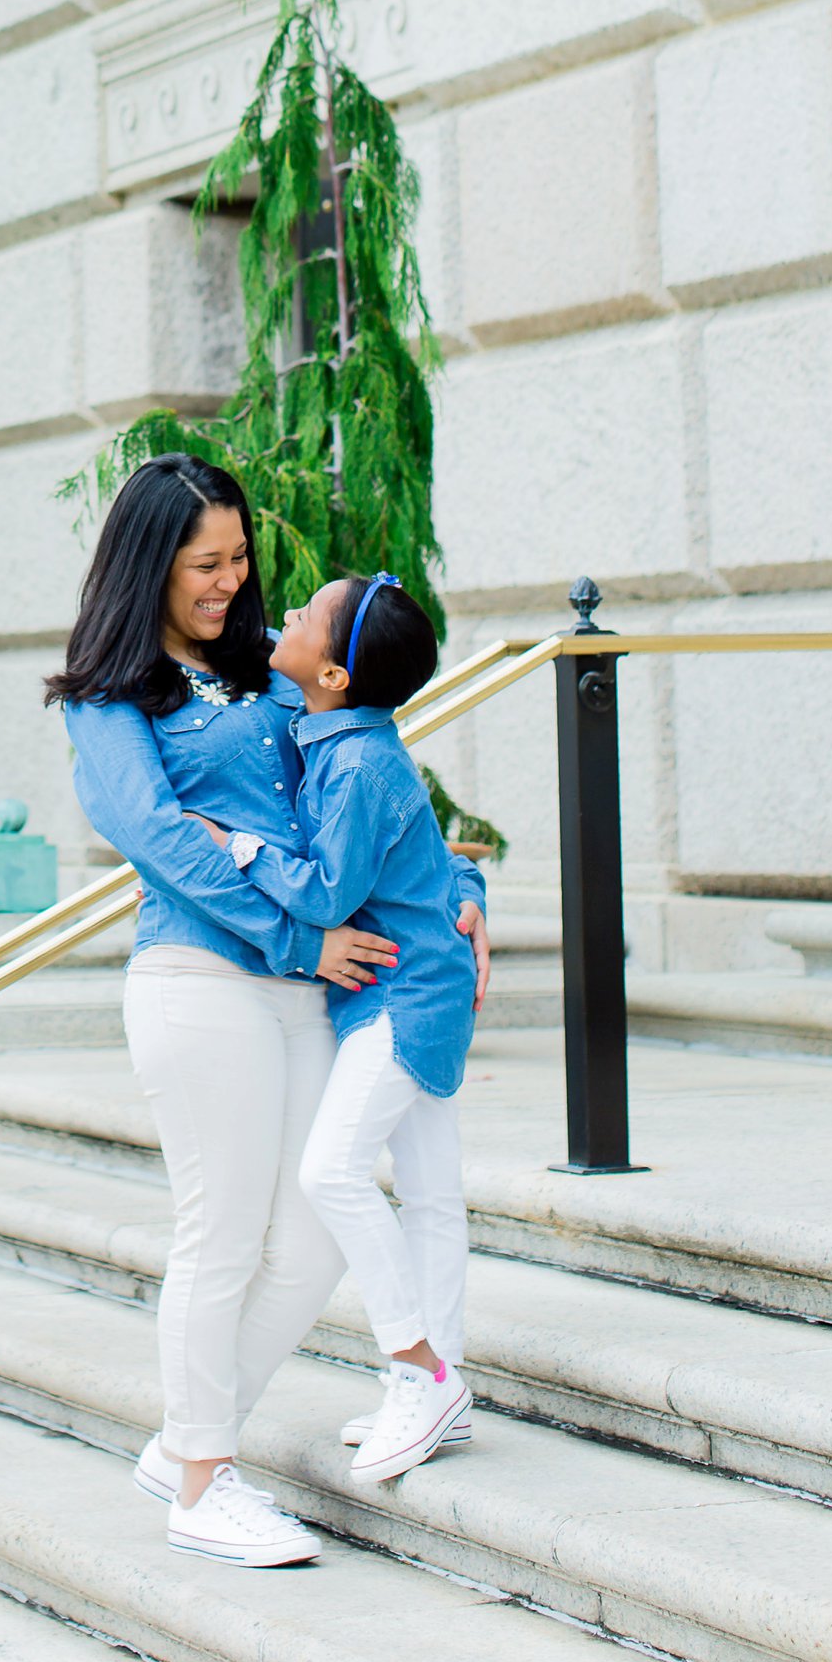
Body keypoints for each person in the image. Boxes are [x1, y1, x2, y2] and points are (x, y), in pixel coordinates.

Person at [49, 455, 489, 1568]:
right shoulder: (112, 697)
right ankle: (204, 1483)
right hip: (201, 985)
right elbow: (163, 844)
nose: (227, 581)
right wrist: (304, 937)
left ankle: (187, 1445)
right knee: (222, 1233)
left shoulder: (274, 672)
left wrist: (460, 894)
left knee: (308, 1239)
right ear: (149, 565)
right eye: (203, 563)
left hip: (310, 991)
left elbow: (376, 782)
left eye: (237, 559)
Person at [188, 572, 484, 1484]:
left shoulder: (356, 761)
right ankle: (449, 1387)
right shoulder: (346, 737)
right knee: (430, 1191)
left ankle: (418, 1369)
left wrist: (237, 844)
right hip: (408, 985)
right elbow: (426, 860)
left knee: (330, 1170)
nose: (287, 616)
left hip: (402, 996)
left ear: (336, 673)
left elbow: (326, 894)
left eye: (309, 616)